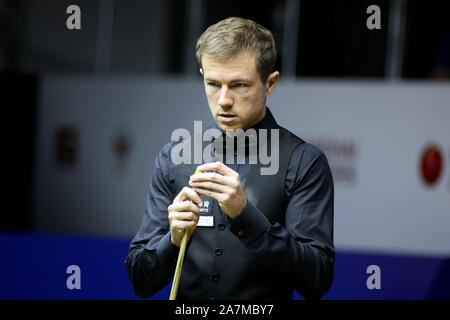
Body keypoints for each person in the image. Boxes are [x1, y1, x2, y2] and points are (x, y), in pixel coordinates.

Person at [125, 17, 334, 300]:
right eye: (213, 83)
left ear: (270, 83)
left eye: (238, 85)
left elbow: (317, 279)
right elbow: (141, 280)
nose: (223, 99)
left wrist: (245, 215)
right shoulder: (174, 158)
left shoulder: (304, 163)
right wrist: (172, 240)